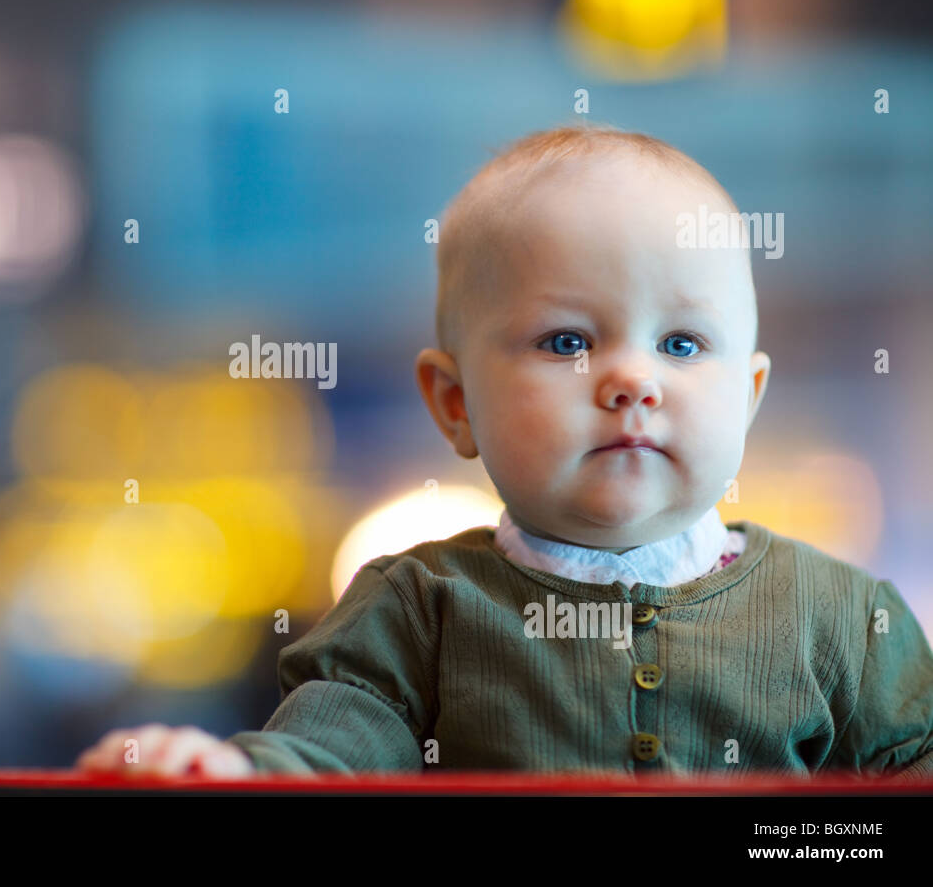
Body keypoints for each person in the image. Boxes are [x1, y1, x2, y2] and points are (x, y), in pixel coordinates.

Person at [74, 126, 933, 778]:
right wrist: (236, 773)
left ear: (747, 399)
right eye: (566, 343)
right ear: (456, 404)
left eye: (680, 344)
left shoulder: (847, 620)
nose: (632, 380)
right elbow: (328, 757)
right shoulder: (415, 612)